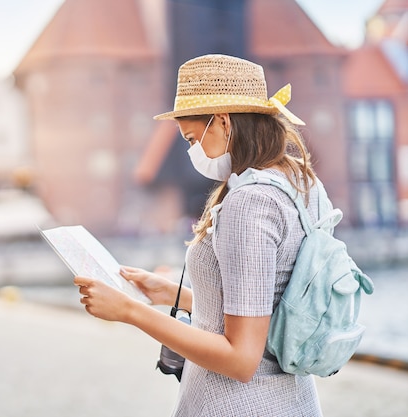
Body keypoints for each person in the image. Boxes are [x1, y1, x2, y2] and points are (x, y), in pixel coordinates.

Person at [74, 54, 324, 416]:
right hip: (291, 402)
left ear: (222, 122)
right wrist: (181, 296)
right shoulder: (297, 182)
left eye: (192, 138)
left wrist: (129, 311)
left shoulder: (249, 202)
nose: (192, 150)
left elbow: (241, 359)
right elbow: (269, 307)